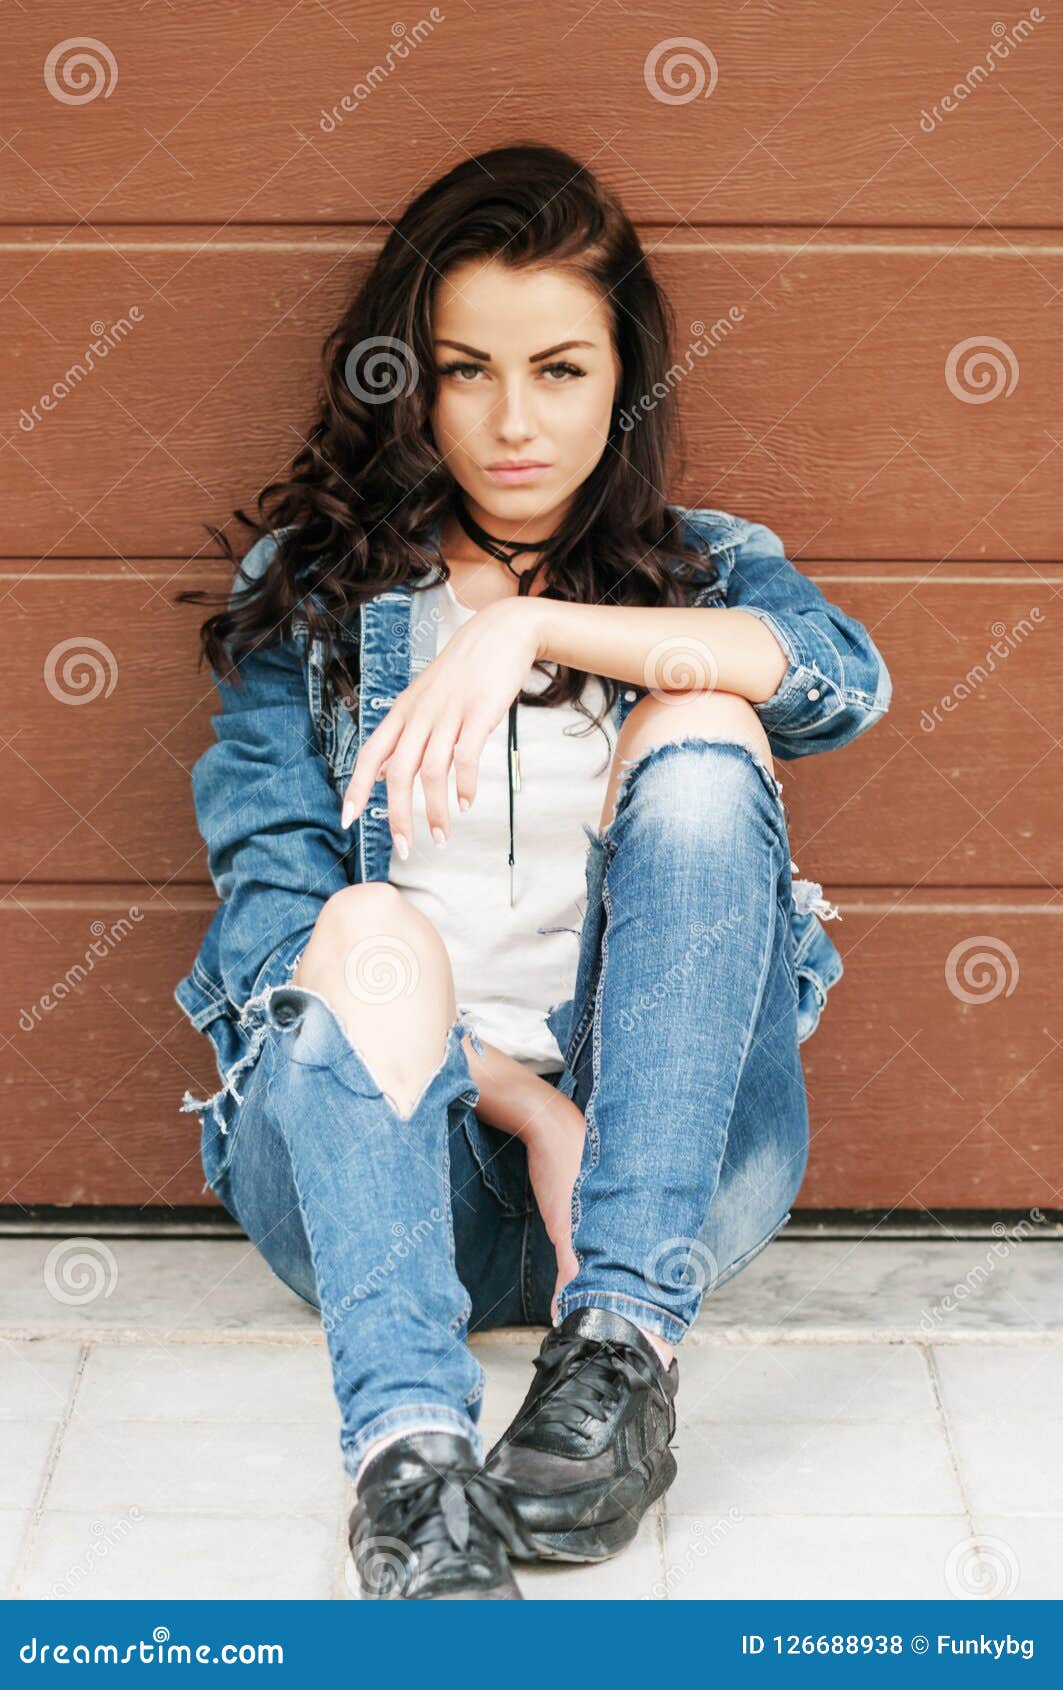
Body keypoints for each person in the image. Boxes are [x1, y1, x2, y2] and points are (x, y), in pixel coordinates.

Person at [174, 141, 891, 1600]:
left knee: (702, 721)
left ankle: (622, 1353)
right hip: (384, 1183)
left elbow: (837, 678)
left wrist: (537, 630)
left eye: (560, 371)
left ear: (622, 384)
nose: (512, 424)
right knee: (360, 917)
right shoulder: (312, 601)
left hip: (670, 1182)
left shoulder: (707, 570)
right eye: (465, 370)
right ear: (410, 381)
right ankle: (413, 1473)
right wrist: (532, 1106)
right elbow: (270, 945)